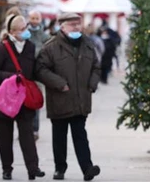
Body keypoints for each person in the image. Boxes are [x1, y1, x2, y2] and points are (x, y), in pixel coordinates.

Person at [35, 13, 101, 181]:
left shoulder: (88, 44)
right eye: (72, 24)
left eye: (78, 24)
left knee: (80, 134)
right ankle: (60, 169)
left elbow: (96, 66)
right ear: (62, 26)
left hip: (81, 100)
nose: (77, 27)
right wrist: (59, 83)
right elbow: (41, 70)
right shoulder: (51, 47)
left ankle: (87, 168)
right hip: (60, 98)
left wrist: (92, 84)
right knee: (59, 137)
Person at [0, 14, 45, 181]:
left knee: (27, 135)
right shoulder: (1, 48)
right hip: (4, 100)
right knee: (5, 137)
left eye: (26, 28)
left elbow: (33, 70)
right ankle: (7, 169)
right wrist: (10, 77)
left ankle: (33, 169)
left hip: (23, 99)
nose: (26, 31)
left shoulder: (30, 46)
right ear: (12, 32)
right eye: (22, 29)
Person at [27, 10, 50, 140]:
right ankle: (25, 128)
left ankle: (35, 129)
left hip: (38, 75)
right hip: (25, 74)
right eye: (33, 18)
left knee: (35, 101)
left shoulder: (44, 36)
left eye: (37, 18)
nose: (35, 21)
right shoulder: (25, 34)